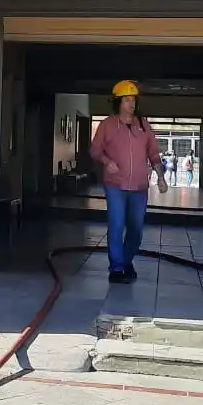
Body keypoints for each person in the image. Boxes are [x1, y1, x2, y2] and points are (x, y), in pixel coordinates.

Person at [89, 80, 168, 284]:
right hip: (115, 185)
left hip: (139, 187)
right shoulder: (107, 125)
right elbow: (95, 150)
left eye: (133, 99)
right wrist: (107, 161)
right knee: (116, 225)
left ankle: (126, 261)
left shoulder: (143, 125)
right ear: (118, 101)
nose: (131, 103)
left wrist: (161, 177)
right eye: (127, 99)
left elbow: (153, 154)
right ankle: (116, 268)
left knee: (136, 228)